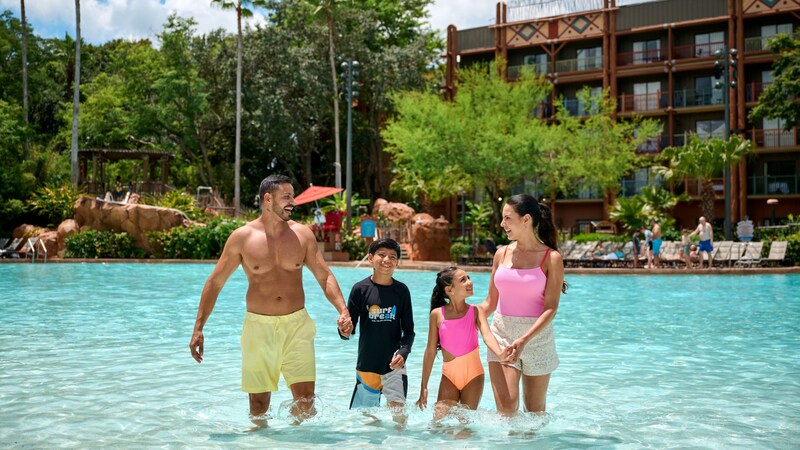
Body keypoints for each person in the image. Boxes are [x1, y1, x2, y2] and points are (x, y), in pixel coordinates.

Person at [189, 174, 353, 426]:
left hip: (297, 325)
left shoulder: (303, 235)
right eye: (286, 197)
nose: (293, 202)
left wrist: (343, 310)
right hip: (258, 328)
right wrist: (198, 327)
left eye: (292, 196)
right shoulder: (242, 237)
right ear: (268, 199)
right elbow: (215, 282)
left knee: (306, 401)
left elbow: (324, 275)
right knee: (258, 404)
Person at [479, 194, 566, 416]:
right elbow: (490, 302)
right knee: (507, 409)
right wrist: (461, 312)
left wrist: (525, 339)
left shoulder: (551, 258)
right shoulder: (501, 254)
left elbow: (551, 308)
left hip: (537, 338)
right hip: (502, 335)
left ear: (526, 219)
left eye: (507, 218)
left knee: (535, 413)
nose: (502, 224)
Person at [416, 267, 510, 421]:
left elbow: (487, 336)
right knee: (437, 424)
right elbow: (430, 351)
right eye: (463, 280)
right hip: (449, 377)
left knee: (465, 426)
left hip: (474, 376)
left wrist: (500, 354)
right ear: (449, 290)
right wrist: (423, 386)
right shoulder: (437, 315)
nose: (470, 282)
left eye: (468, 277)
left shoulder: (476, 311)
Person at [341, 238, 415, 425]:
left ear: (397, 262)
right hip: (366, 364)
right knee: (365, 421)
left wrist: (404, 353)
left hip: (393, 366)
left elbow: (409, 331)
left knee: (399, 414)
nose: (387, 260)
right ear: (370, 258)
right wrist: (343, 330)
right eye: (381, 255)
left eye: (392, 256)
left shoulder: (402, 291)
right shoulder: (360, 289)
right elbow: (349, 329)